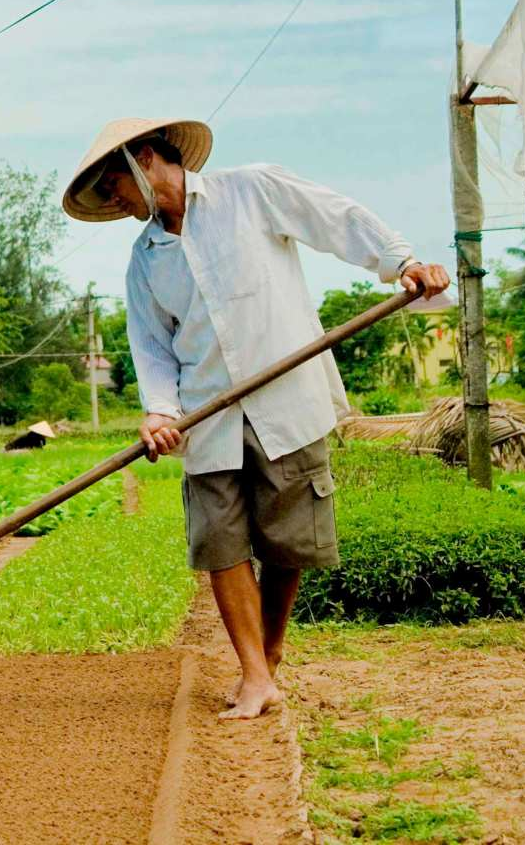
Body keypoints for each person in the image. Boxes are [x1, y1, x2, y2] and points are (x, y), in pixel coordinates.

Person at [62, 118, 449, 719]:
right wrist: (159, 412)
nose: (113, 199)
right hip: (206, 410)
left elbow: (336, 218)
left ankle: (265, 661)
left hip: (285, 396)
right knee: (220, 541)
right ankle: (252, 672)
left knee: (286, 540)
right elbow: (153, 346)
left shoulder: (251, 191)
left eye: (113, 183)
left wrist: (401, 262)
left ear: (144, 158)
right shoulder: (145, 260)